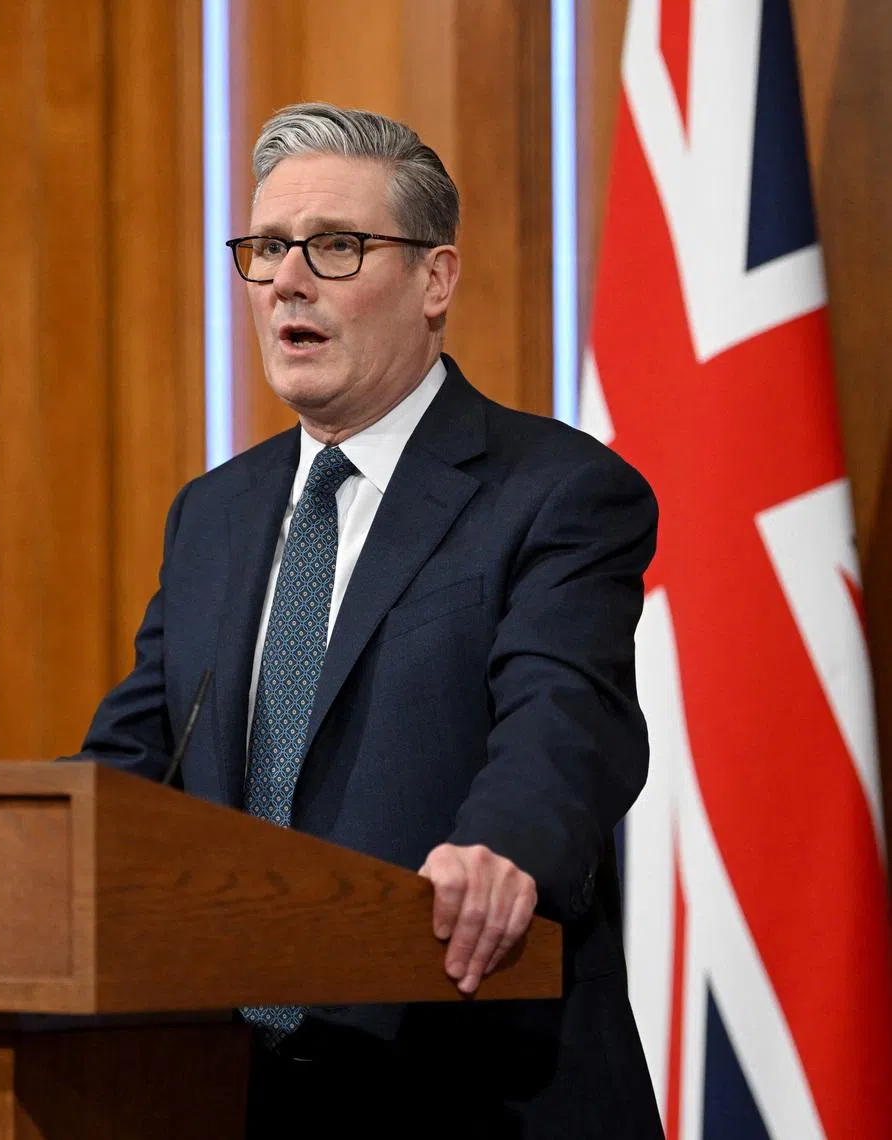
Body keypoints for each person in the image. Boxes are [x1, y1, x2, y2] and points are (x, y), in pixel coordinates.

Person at [81, 102, 664, 1138]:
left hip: (469, 1083)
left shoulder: (558, 491)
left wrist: (503, 846)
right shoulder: (212, 516)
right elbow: (131, 770)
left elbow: (565, 715)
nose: (287, 283)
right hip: (226, 1092)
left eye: (335, 247)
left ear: (435, 280)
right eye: (266, 249)